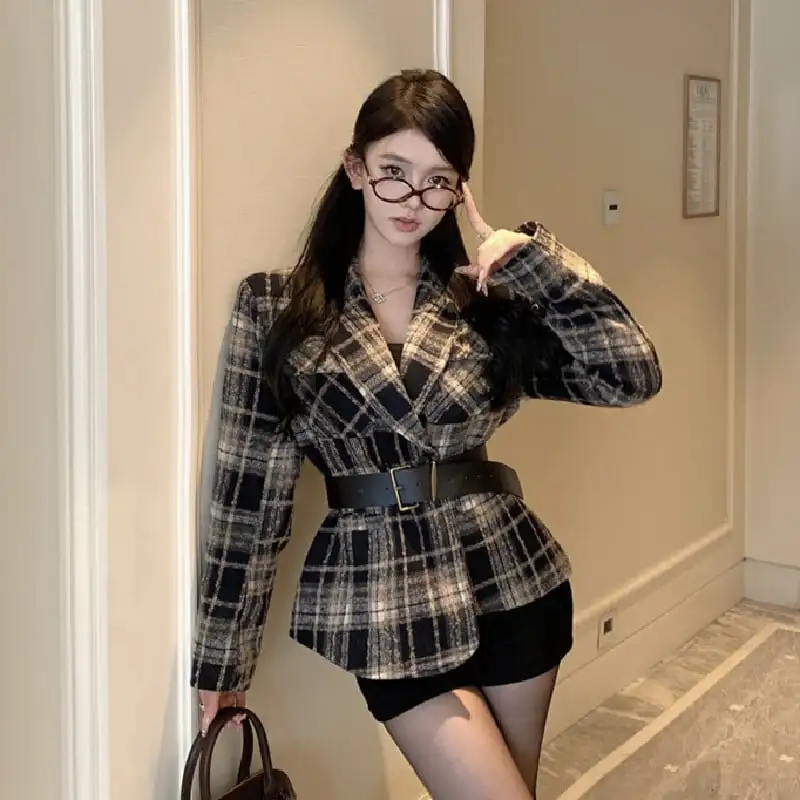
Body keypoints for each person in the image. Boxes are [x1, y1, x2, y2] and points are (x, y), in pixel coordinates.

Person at [191, 68, 661, 799]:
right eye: (394, 173)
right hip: (383, 600)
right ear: (355, 168)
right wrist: (224, 659)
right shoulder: (278, 307)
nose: (414, 200)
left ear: (458, 191)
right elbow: (248, 499)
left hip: (511, 577)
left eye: (438, 181)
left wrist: (535, 263)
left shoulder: (482, 301)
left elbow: (629, 375)